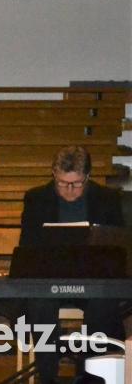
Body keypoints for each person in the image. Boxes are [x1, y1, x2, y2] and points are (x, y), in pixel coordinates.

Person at [19, 145, 125, 384]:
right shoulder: (36, 199)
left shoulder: (107, 199)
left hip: (94, 282)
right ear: (53, 175)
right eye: (62, 183)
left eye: (76, 184)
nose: (69, 190)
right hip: (50, 281)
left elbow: (118, 250)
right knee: (39, 304)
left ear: (87, 177)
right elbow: (27, 249)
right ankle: (47, 375)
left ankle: (91, 374)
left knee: (102, 304)